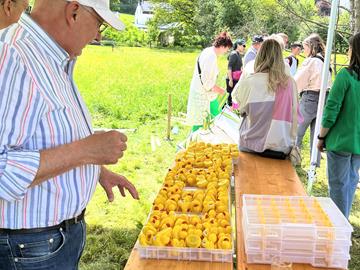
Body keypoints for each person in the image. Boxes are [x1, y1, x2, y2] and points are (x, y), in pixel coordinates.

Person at [0, 1, 139, 269]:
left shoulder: (49, 57)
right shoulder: (13, 55)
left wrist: (95, 171)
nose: (98, 36)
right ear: (73, 12)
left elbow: (44, 136)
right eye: (98, 24)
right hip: (28, 248)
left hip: (48, 242)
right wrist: (87, 150)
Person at [232, 39, 300, 157]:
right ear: (280, 56)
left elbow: (238, 104)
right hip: (281, 146)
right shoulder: (290, 83)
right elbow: (296, 115)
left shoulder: (250, 80)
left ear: (260, 54)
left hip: (250, 143)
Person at [317, 32, 360, 219]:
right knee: (349, 183)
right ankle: (344, 223)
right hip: (356, 143)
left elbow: (331, 110)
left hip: (341, 141)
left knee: (339, 186)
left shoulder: (345, 76)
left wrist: (321, 136)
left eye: (350, 47)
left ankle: (339, 227)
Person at [295, 33, 332, 165]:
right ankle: (314, 162)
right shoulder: (326, 61)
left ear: (311, 47)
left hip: (310, 97)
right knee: (316, 133)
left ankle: (293, 158)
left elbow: (298, 81)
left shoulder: (311, 62)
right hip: (325, 98)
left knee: (297, 130)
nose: (304, 51)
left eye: (305, 47)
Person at [186, 31, 233, 132]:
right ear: (223, 46)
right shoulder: (210, 56)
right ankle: (189, 145)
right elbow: (207, 82)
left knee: (213, 120)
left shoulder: (208, 51)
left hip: (207, 95)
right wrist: (221, 90)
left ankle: (209, 142)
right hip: (203, 95)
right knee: (200, 124)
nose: (226, 52)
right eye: (227, 49)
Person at [226, 38, 246, 106]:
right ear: (238, 45)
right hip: (232, 79)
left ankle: (234, 110)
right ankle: (228, 112)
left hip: (236, 79)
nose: (244, 47)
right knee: (230, 97)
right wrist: (230, 80)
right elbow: (229, 67)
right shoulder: (234, 54)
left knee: (235, 97)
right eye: (243, 45)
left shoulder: (238, 54)